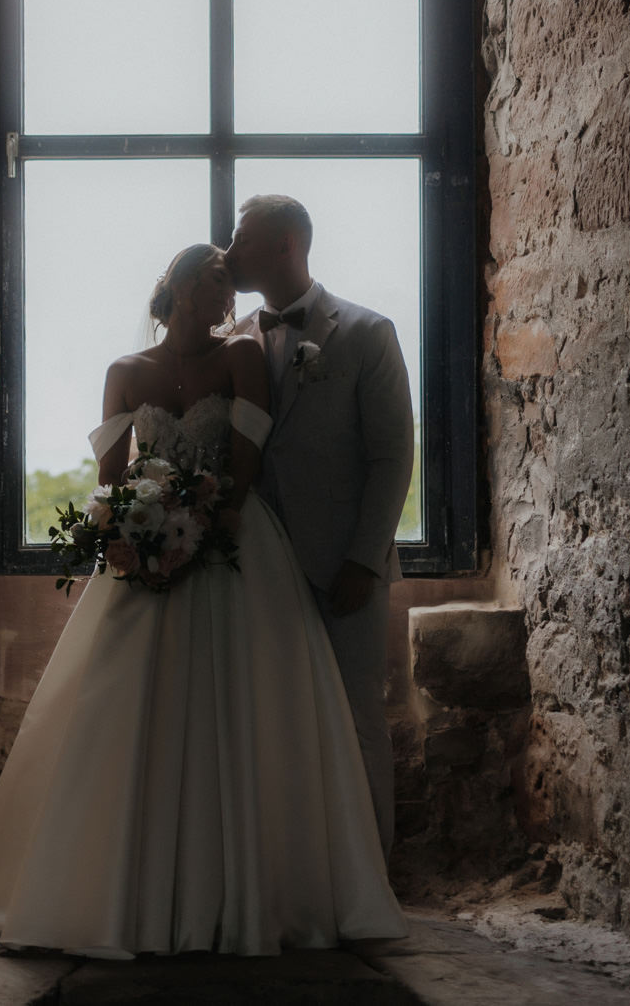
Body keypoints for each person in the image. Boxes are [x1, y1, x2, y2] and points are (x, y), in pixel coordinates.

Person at [0, 243, 406, 957]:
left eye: (232, 282)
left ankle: (249, 893)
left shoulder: (240, 359)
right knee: (124, 707)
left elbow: (247, 467)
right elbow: (109, 477)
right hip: (149, 549)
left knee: (246, 707)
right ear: (182, 283)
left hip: (235, 540)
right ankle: (115, 888)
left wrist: (203, 516)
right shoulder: (125, 373)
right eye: (218, 278)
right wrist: (134, 524)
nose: (231, 291)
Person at [225, 196, 415, 859]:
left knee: (356, 716)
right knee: (272, 721)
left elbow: (393, 455)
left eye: (241, 238)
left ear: (283, 245)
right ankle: (291, 874)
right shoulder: (235, 339)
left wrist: (364, 560)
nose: (228, 249)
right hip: (258, 565)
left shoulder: (366, 333)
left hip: (343, 567)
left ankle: (372, 875)